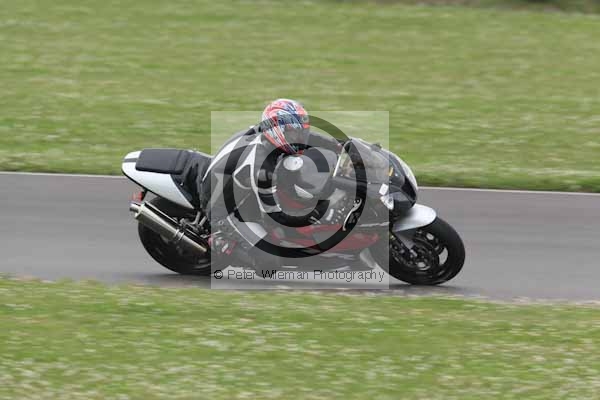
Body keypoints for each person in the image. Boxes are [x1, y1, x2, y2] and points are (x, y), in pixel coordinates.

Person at [207, 99, 342, 268]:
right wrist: (317, 216)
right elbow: (273, 216)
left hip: (236, 188)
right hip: (222, 213)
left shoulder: (265, 133)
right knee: (270, 262)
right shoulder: (262, 166)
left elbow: (309, 137)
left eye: (302, 132)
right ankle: (220, 241)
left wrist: (339, 144)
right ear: (277, 131)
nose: (300, 138)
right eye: (294, 133)